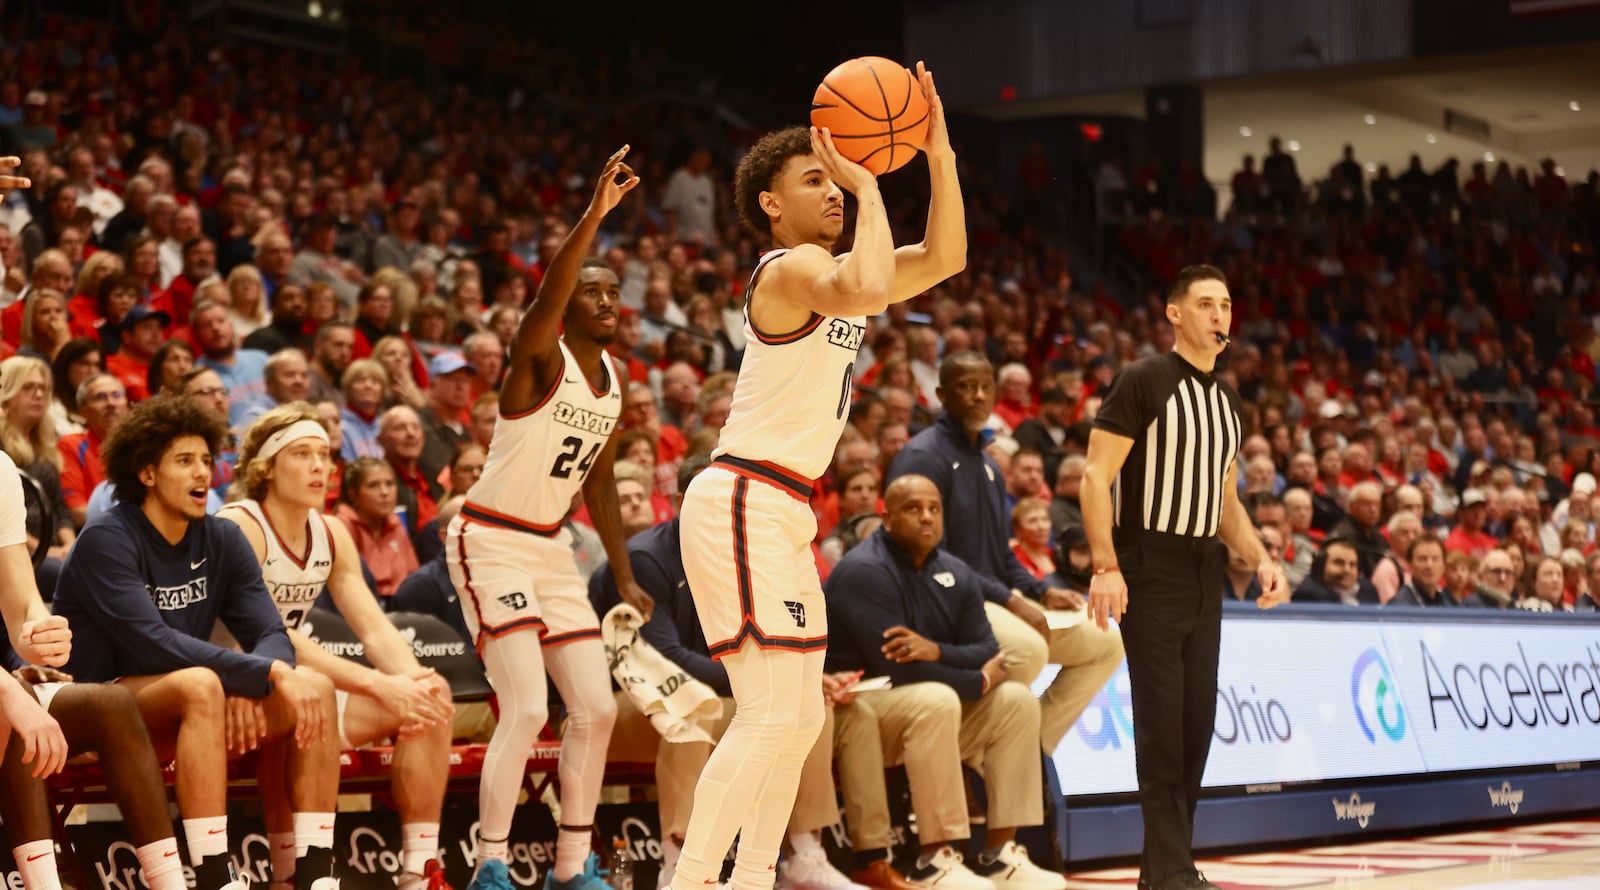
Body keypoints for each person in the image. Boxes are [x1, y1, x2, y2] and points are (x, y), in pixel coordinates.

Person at [671, 63, 966, 890]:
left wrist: (936, 153)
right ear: (771, 202)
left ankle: (753, 878)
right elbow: (870, 282)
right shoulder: (788, 270)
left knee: (798, 722)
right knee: (769, 716)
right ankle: (690, 881)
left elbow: (944, 257)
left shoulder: (837, 274)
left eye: (838, 178)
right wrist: (870, 182)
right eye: (816, 178)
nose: (835, 190)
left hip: (782, 509)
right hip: (741, 497)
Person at [450, 149, 650, 890]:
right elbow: (548, 295)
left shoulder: (615, 382)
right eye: (591, 290)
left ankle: (573, 868)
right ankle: (492, 865)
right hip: (491, 538)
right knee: (530, 704)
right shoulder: (540, 359)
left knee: (596, 706)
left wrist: (623, 574)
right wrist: (595, 217)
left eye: (613, 293)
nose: (603, 300)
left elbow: (599, 479)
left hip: (552, 547)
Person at [51, 394, 340, 890]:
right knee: (204, 684)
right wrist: (262, 674)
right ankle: (213, 874)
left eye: (206, 461)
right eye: (184, 462)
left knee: (314, 685)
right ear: (146, 473)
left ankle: (311, 876)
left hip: (181, 707)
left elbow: (269, 631)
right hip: (93, 707)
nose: (203, 474)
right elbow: (151, 643)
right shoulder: (107, 538)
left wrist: (261, 682)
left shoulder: (221, 538)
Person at [1082, 265, 1287, 890]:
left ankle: (1163, 872)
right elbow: (1095, 477)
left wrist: (1261, 558)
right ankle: (1173, 873)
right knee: (1162, 723)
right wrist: (1105, 564)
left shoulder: (1229, 400)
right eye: (1205, 304)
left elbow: (1224, 501)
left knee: (1196, 724)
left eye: (1225, 305)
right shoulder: (1143, 380)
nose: (1219, 315)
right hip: (1149, 562)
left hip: (1205, 569)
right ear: (1175, 314)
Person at [590, 455, 865, 890]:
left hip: (725, 686)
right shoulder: (647, 559)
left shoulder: (753, 552)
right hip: (642, 696)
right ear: (685, 502)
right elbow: (666, 657)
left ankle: (804, 852)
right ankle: (679, 865)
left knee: (806, 711)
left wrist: (800, 678)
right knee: (699, 713)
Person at [220, 404, 456, 890]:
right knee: (314, 692)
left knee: (433, 694)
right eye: (302, 454)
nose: (319, 467)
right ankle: (304, 872)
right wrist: (376, 682)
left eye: (325, 455)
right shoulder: (239, 524)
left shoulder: (331, 531)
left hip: (287, 685)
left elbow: (373, 628)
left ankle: (419, 869)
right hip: (228, 690)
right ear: (266, 467)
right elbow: (269, 634)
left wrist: (409, 683)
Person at [825, 475, 1065, 890]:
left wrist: (937, 651)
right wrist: (973, 679)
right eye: (913, 509)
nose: (926, 518)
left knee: (1015, 699)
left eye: (934, 509)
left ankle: (999, 854)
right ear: (886, 518)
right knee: (936, 698)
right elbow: (898, 669)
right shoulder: (865, 571)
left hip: (921, 709)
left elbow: (988, 648)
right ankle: (933, 860)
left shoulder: (954, 570)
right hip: (859, 708)